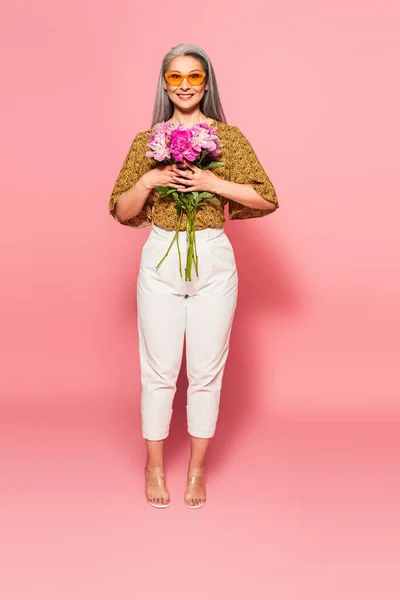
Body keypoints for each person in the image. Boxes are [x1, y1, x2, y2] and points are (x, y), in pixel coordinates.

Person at [108, 43, 279, 509]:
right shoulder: (148, 141)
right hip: (162, 255)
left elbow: (267, 197)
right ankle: (155, 466)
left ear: (207, 82)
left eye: (194, 76)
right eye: (176, 77)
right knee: (159, 371)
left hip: (212, 258)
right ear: (165, 84)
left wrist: (211, 183)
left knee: (206, 371)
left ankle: (197, 470)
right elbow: (121, 211)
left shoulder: (229, 138)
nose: (185, 85)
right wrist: (149, 180)